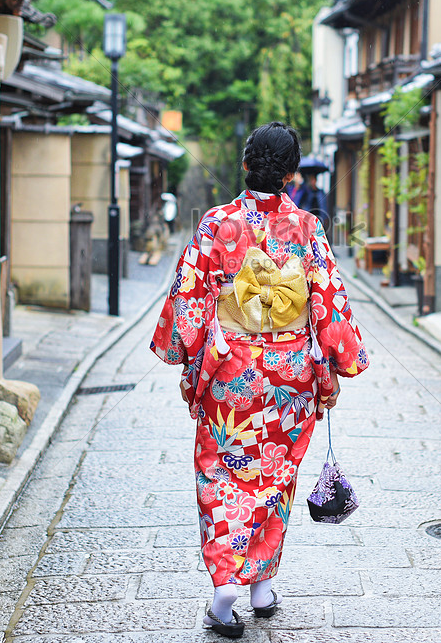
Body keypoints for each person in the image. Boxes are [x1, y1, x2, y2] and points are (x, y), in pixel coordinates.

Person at [150, 121, 369, 638]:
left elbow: (189, 297)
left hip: (231, 374)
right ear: (292, 176)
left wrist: (185, 348)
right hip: (289, 376)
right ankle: (261, 586)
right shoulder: (309, 228)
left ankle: (228, 588)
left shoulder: (216, 224)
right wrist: (342, 358)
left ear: (245, 164)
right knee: (274, 475)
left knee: (224, 475)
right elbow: (329, 302)